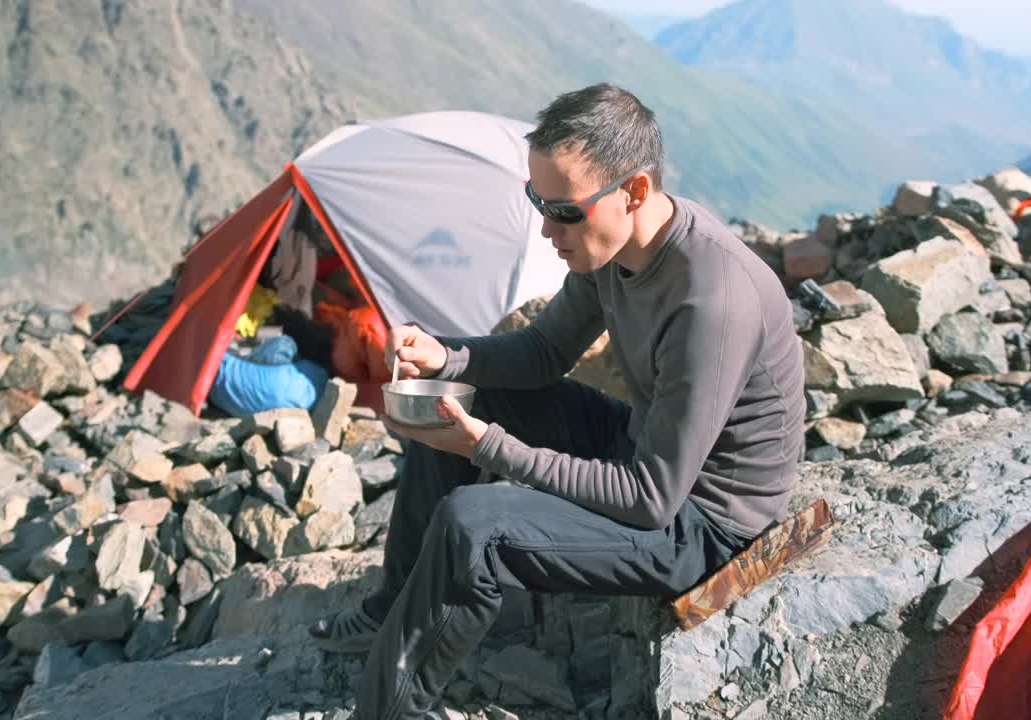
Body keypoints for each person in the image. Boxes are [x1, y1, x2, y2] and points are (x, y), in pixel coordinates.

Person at [308, 83, 807, 719]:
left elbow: (651, 499)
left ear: (635, 191)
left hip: (702, 525)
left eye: (563, 210)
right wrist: (447, 356)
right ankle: (392, 609)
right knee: (464, 395)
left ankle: (385, 710)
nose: (546, 228)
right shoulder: (616, 246)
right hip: (647, 451)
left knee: (475, 527)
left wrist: (488, 447)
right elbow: (545, 352)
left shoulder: (710, 301)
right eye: (535, 201)